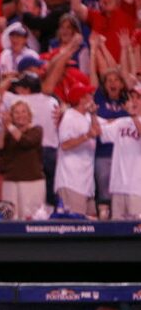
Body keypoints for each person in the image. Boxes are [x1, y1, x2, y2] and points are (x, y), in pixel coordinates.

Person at [0, 100, 45, 220]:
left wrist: (10, 126)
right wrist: (4, 128)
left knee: (30, 217)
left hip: (31, 181)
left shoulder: (36, 130)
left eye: (23, 112)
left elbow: (25, 142)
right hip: (10, 181)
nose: (20, 115)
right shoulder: (9, 133)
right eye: (16, 113)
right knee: (10, 218)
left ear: (29, 115)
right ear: (11, 116)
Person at [56, 82, 99, 216]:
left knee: (91, 222)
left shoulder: (86, 116)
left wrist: (93, 115)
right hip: (71, 180)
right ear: (81, 99)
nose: (92, 98)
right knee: (75, 224)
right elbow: (65, 144)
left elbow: (97, 131)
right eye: (88, 95)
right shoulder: (69, 116)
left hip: (86, 182)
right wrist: (86, 136)